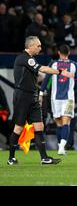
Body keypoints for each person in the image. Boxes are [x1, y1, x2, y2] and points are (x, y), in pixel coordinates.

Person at [7, 36, 73, 165]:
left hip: (33, 96)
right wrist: (60, 72)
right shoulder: (24, 58)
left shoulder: (30, 60)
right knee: (18, 128)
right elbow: (42, 69)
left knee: (39, 126)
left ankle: (44, 158)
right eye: (38, 46)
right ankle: (11, 158)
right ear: (30, 46)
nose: (40, 48)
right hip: (22, 97)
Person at [39, 44, 77, 155]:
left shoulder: (53, 64)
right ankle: (62, 147)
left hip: (55, 98)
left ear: (58, 52)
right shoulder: (75, 65)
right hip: (69, 98)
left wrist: (41, 94)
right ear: (69, 53)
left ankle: (60, 147)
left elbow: (46, 79)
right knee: (66, 122)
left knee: (59, 124)